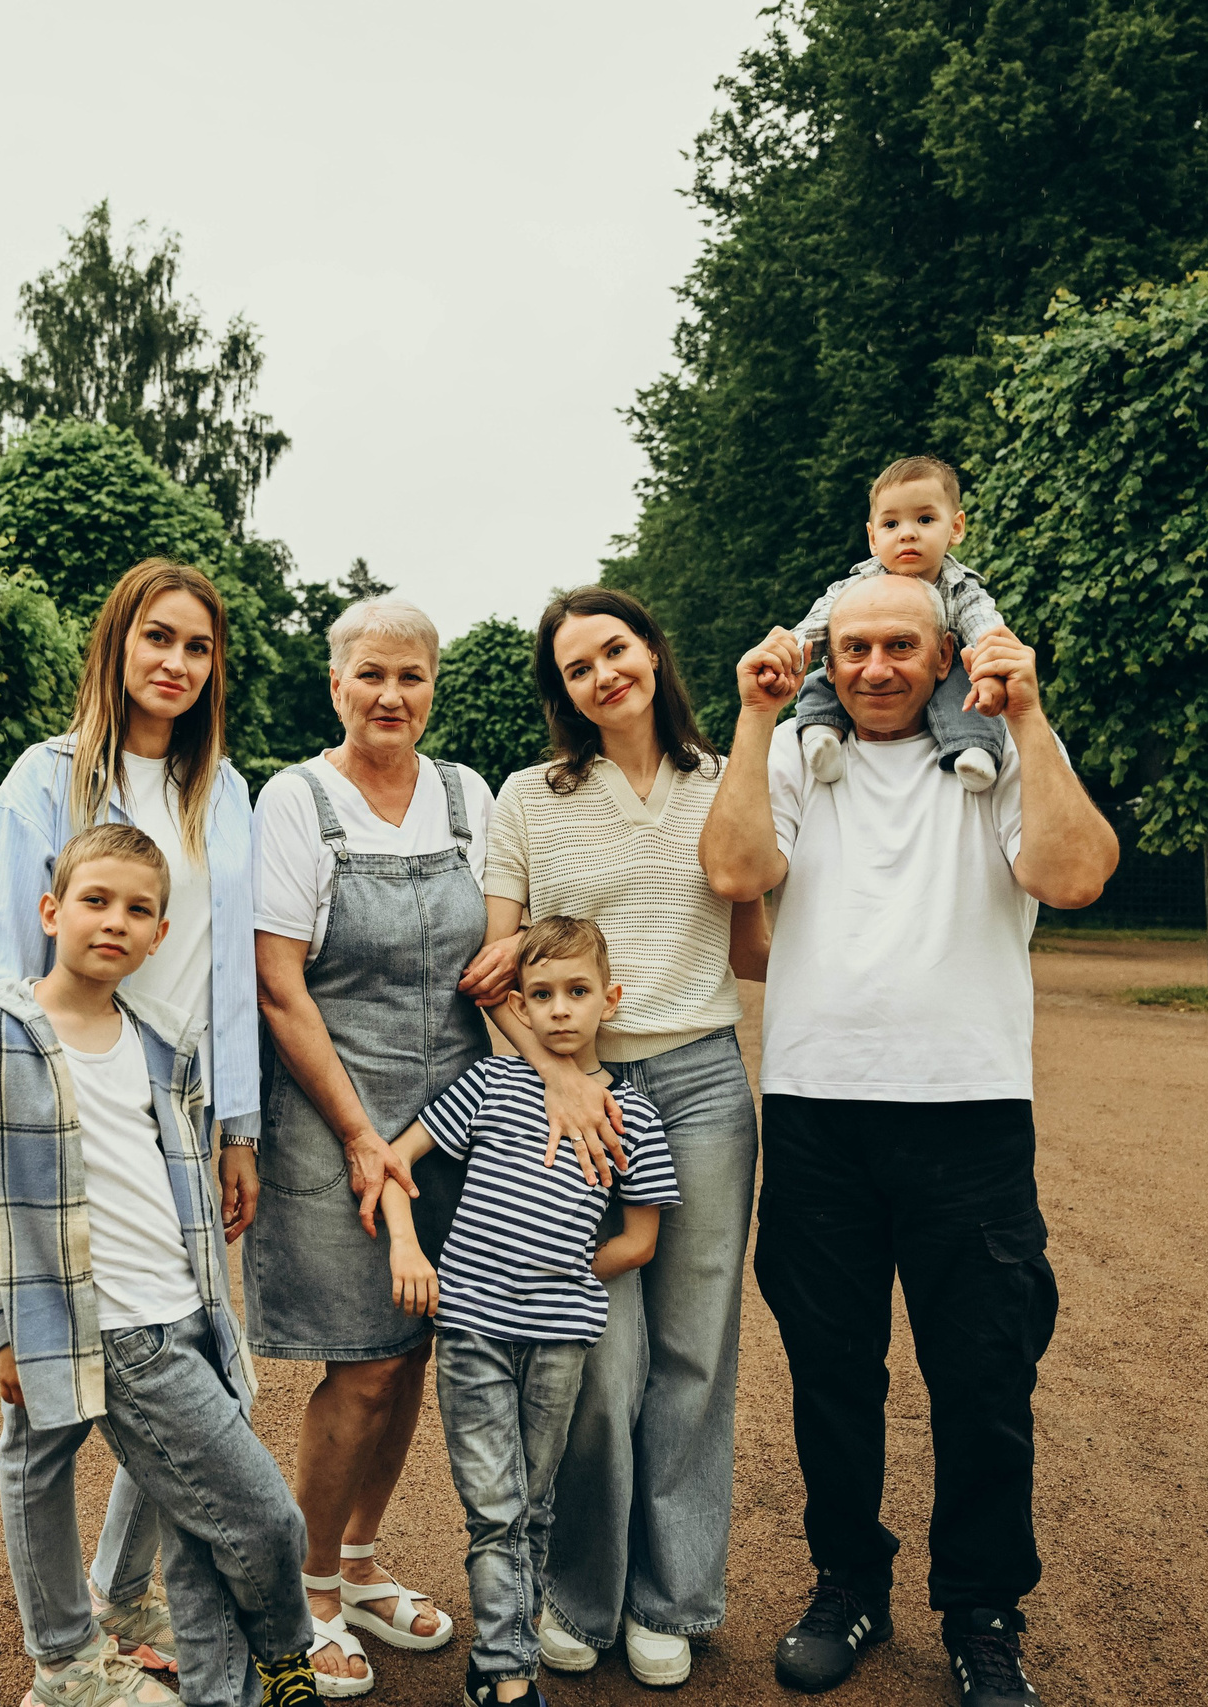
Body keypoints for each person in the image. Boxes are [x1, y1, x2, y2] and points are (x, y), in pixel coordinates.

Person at [699, 576, 1119, 1707]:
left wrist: (1027, 716)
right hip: (818, 1110)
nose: (875, 667)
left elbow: (1073, 876)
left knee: (982, 1379)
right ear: (826, 661)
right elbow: (735, 872)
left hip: (969, 1111)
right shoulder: (794, 754)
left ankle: (983, 1608)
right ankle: (848, 1580)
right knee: (833, 1376)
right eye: (853, 649)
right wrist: (751, 714)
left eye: (899, 647)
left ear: (942, 658)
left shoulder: (996, 747)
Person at [0, 559, 264, 1686]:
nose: (175, 663)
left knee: (187, 1369)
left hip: (171, 1121)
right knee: (45, 1408)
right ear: (115, 648)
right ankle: (60, 1659)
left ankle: (123, 1597)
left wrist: (237, 1126)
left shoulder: (229, 794)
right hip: (50, 1118)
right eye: (156, 638)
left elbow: (230, 979)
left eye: (197, 647)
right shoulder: (45, 779)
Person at [0, 822, 317, 1707]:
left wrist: (213, 1310)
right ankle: (285, 1649)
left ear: (158, 935)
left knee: (198, 1527)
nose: (114, 921)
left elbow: (179, 1185)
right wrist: (2, 1332)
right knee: (265, 1518)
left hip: (189, 1309)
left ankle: (223, 1689)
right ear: (51, 910)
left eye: (138, 909)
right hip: (120, 1332)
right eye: (94, 900)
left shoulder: (162, 1040)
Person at [464, 586, 759, 1688]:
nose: (602, 676)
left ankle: (671, 1600)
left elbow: (759, 935)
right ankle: (578, 1594)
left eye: (615, 651)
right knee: (588, 1354)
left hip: (698, 1083)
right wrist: (558, 1077)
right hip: (573, 1091)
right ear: (563, 692)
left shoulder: (724, 777)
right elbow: (493, 976)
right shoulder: (530, 798)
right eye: (576, 667)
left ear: (650, 654)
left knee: (692, 1351)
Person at [247, 597, 491, 1695]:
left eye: (412, 677)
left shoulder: (466, 793)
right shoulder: (296, 800)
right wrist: (360, 1135)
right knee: (362, 1362)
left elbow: (497, 952)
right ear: (334, 682)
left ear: (433, 685)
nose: (392, 696)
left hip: (452, 1121)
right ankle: (306, 1593)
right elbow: (276, 981)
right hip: (332, 1109)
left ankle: (360, 1562)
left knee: (412, 1356)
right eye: (370, 676)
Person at [373, 916, 682, 1707]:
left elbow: (640, 1240)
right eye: (540, 994)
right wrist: (408, 1246)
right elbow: (394, 1160)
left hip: (562, 1335)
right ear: (518, 1004)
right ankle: (512, 1679)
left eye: (577, 992)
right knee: (497, 1507)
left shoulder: (634, 1117)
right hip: (472, 1325)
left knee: (531, 1504)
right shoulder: (489, 1084)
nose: (559, 1009)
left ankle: (491, 1666)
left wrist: (562, 1266)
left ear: (608, 1000)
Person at [788, 456, 1012, 793]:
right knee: (830, 673)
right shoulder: (856, 586)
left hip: (940, 678)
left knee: (964, 688)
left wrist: (992, 673)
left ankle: (973, 749)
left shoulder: (961, 588)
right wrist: (787, 655)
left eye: (924, 519)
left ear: (955, 527)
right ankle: (821, 737)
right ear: (873, 537)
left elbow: (986, 632)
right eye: (891, 524)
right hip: (869, 686)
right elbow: (817, 627)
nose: (907, 533)